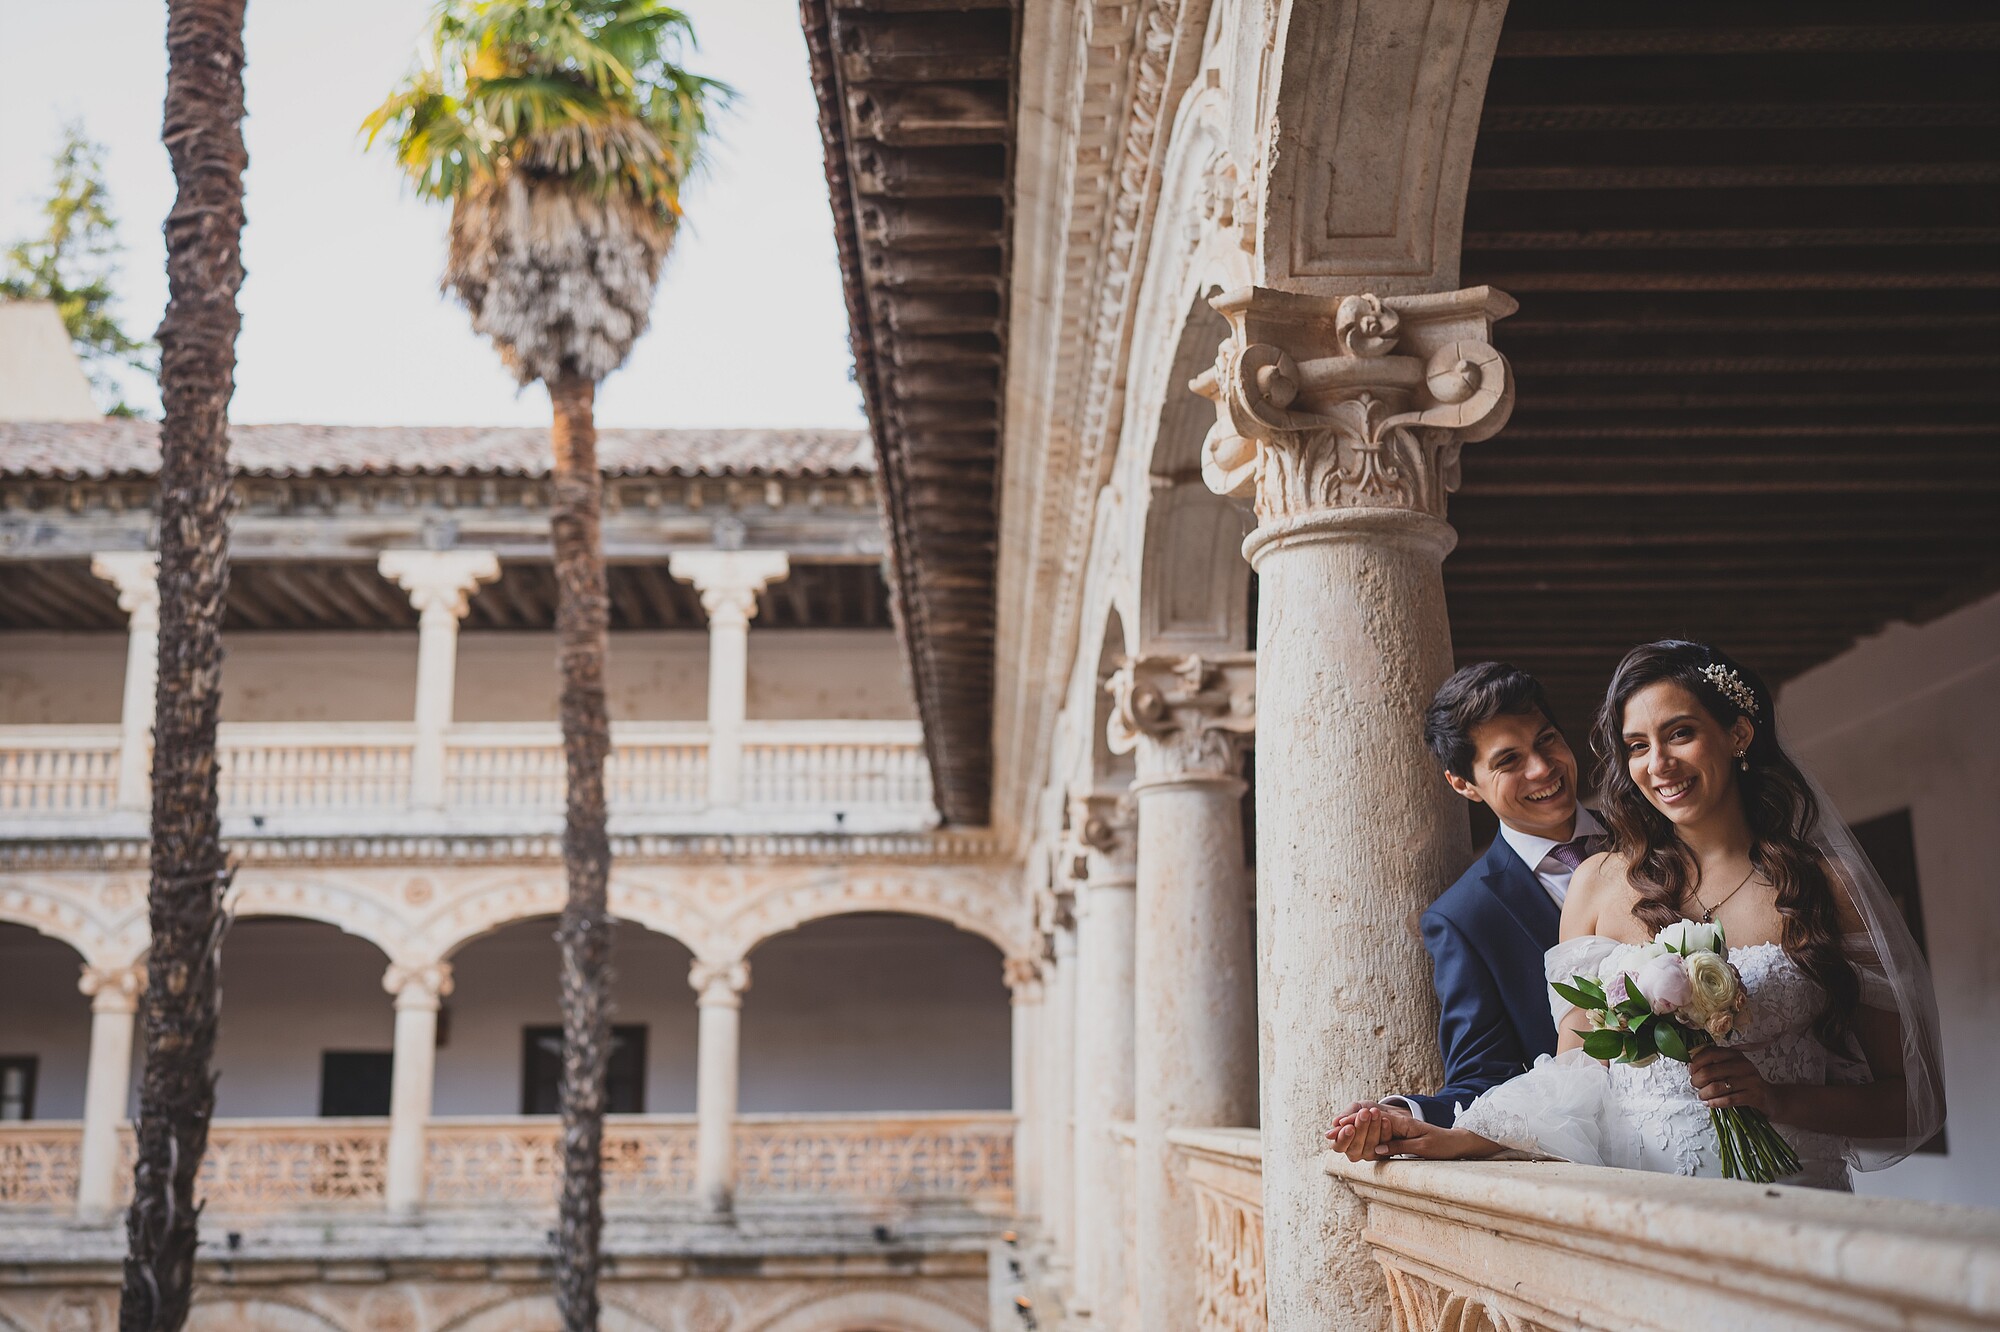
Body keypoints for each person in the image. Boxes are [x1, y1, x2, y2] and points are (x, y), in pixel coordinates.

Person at [1328, 641, 1945, 1187]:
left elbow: (1911, 1104)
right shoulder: (1598, 885)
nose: (1659, 764)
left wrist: (1777, 1100)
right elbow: (1571, 1077)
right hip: (1640, 1204)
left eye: (1680, 733)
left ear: (1738, 734)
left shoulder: (1825, 886)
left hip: (1791, 1199)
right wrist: (1452, 1134)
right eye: (1637, 746)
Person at [1340, 663, 1606, 1145]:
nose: (1541, 768)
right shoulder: (1465, 918)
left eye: (1546, 740)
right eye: (1508, 761)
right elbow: (1483, 1074)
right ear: (1463, 784)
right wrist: (1405, 1112)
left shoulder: (1654, 834)